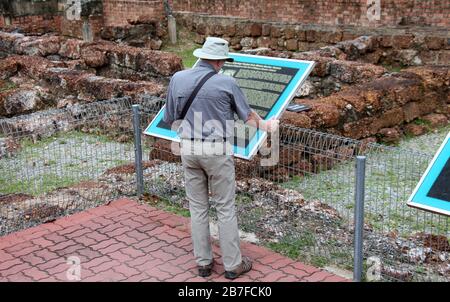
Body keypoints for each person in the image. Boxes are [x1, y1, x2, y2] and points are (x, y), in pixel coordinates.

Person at [163, 37, 278, 279]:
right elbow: (248, 117)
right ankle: (232, 265)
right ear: (219, 61)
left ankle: (203, 263)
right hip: (216, 150)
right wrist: (267, 126)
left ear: (202, 56)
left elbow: (171, 117)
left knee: (197, 207)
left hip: (188, 149)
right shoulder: (226, 83)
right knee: (225, 208)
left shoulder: (178, 78)